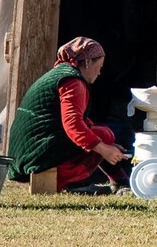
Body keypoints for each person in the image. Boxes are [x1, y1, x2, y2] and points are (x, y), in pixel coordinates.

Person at [8, 36, 128, 193]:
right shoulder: (72, 82)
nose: (99, 72)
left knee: (101, 137)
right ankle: (75, 184)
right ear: (87, 62)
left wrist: (106, 147)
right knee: (103, 134)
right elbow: (73, 124)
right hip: (36, 155)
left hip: (27, 154)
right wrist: (103, 148)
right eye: (99, 66)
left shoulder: (59, 74)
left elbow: (78, 120)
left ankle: (120, 182)